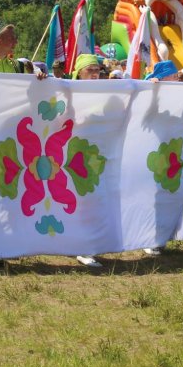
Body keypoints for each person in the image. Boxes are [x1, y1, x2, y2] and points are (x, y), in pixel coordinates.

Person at [70, 54, 107, 268]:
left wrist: (153, 87)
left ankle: (85, 246)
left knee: (90, 201)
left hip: (95, 156)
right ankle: (81, 247)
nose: (95, 74)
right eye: (90, 70)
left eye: (97, 70)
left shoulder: (105, 92)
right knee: (78, 201)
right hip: (70, 155)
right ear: (79, 72)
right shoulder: (67, 91)